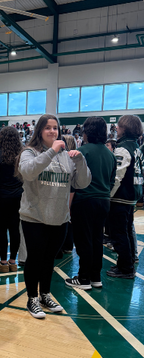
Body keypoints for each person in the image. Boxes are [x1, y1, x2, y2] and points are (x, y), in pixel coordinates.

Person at [18, 114, 90, 318]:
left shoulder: (66, 156)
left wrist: (80, 160)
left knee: (49, 259)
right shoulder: (29, 152)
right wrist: (51, 151)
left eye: (55, 128)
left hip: (59, 218)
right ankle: (32, 297)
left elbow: (82, 183)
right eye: (48, 128)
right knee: (35, 258)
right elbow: (28, 172)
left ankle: (45, 294)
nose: (52, 131)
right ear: (39, 131)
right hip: (34, 218)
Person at [65, 115, 116, 291]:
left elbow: (72, 179)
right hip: (104, 201)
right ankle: (95, 277)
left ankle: (83, 278)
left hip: (85, 200)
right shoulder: (110, 154)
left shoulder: (83, 151)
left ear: (87, 132)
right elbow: (111, 181)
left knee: (83, 240)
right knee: (96, 239)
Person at [105, 113, 143, 279]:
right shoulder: (137, 147)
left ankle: (125, 267)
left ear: (124, 128)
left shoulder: (122, 149)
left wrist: (108, 196)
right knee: (127, 230)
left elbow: (117, 176)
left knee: (119, 233)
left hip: (120, 196)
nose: (116, 129)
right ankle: (126, 263)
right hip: (133, 195)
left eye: (118, 126)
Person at [0, 125, 23, 273]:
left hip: (0, 197)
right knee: (15, 229)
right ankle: (13, 261)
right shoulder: (21, 156)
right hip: (17, 197)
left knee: (1, 230)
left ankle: (3, 262)